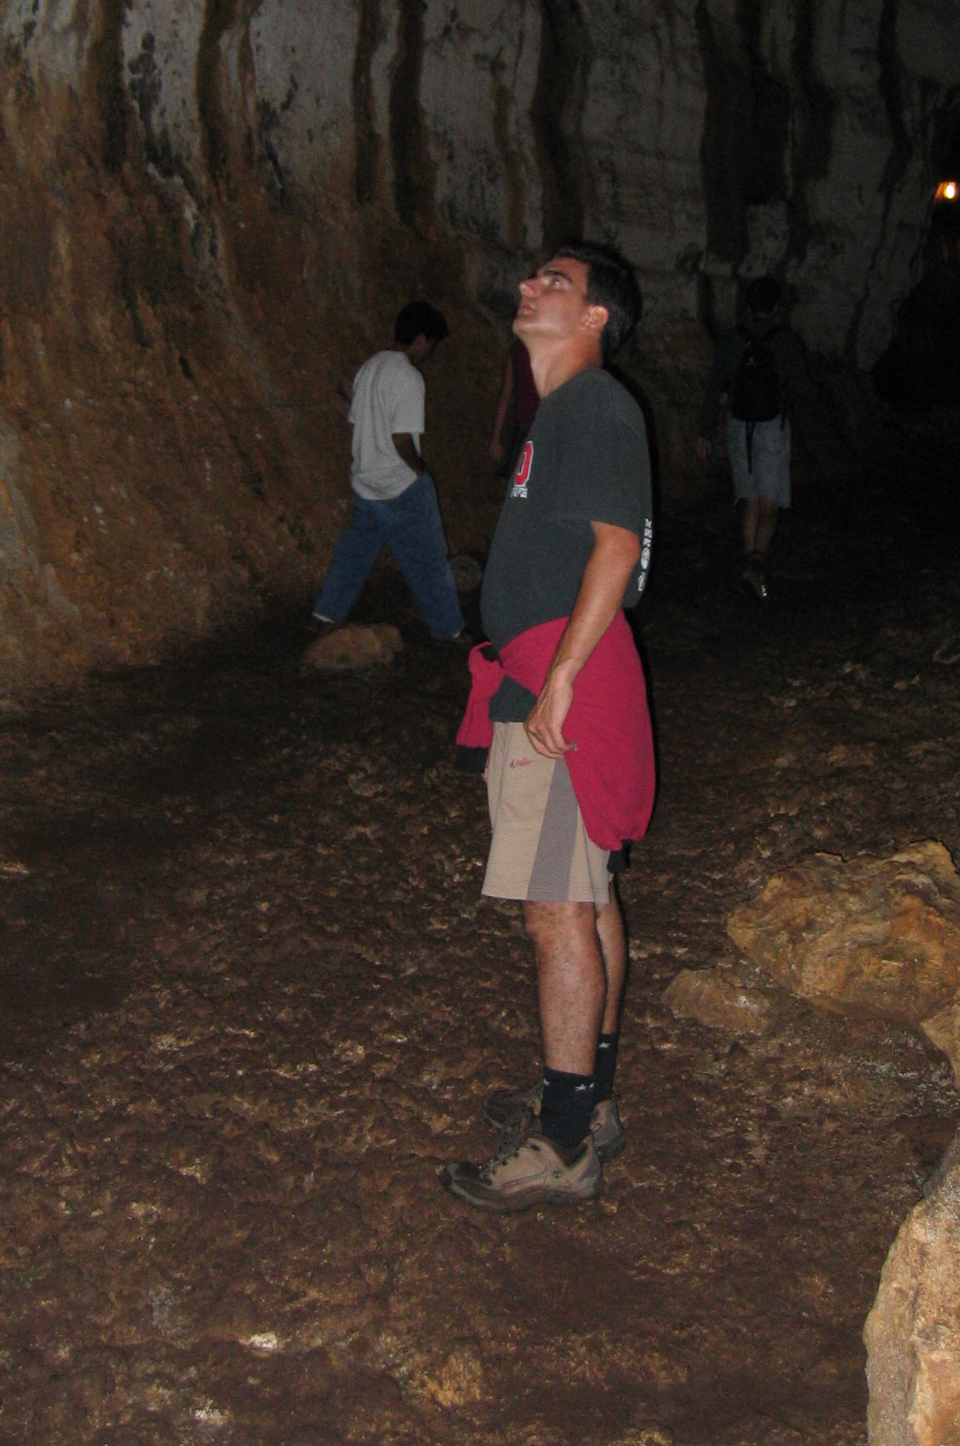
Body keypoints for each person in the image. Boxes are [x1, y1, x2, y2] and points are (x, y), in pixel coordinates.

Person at [442, 243, 654, 1212]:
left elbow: (616, 546)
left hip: (563, 681)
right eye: (532, 276)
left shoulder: (594, 404)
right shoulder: (561, 413)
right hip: (549, 670)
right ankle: (588, 1100)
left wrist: (562, 675)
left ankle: (564, 1140)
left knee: (555, 907)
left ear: (597, 316)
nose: (529, 286)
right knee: (587, 893)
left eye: (555, 282)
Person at [311, 301, 466, 641]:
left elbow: (354, 418)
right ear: (421, 339)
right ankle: (449, 629)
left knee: (354, 552)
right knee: (429, 560)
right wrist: (420, 471)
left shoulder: (370, 367)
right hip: (400, 485)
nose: (429, 353)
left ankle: (326, 614)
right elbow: (401, 438)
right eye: (431, 345)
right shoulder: (409, 377)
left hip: (366, 483)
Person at [696, 275, 810, 600]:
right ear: (775, 307)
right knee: (769, 502)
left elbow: (713, 386)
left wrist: (706, 432)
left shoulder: (733, 340)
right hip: (773, 427)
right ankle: (757, 566)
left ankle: (749, 560)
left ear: (748, 305)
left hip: (738, 426)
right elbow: (802, 386)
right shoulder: (786, 341)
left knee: (749, 498)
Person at [487, 334, 539, 472]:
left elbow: (506, 395)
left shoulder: (517, 351)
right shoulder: (546, 350)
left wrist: (496, 437)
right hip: (533, 424)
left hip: (522, 423)